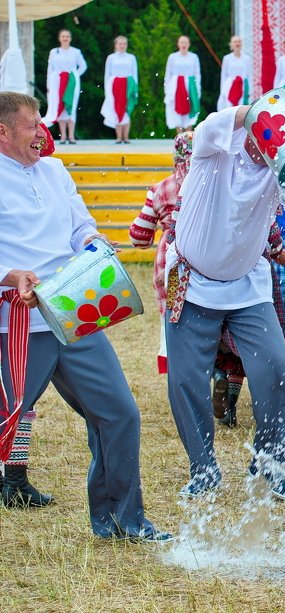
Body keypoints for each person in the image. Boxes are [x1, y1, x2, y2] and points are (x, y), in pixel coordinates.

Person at [0, 91, 170, 541]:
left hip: (73, 317)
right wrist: (9, 275)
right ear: (2, 131)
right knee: (6, 421)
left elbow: (80, 226)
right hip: (15, 326)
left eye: (42, 122)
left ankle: (121, 520)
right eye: (32, 124)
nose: (43, 131)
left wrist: (94, 244)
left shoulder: (55, 171)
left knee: (120, 414)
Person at [164, 104, 285, 501]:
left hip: (247, 285)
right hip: (188, 278)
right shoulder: (213, 146)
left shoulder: (279, 167)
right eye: (268, 135)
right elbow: (222, 122)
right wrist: (267, 107)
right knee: (185, 380)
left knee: (274, 370)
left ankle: (272, 464)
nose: (270, 147)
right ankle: (202, 470)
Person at [129, 131, 194, 373]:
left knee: (171, 315)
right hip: (206, 256)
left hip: (170, 261)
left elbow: (139, 236)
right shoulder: (213, 181)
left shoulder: (161, 188)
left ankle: (177, 370)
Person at [42, 29, 87, 144]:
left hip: (71, 83)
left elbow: (83, 66)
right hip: (57, 82)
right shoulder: (54, 52)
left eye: (67, 36)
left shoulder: (76, 52)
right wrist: (49, 84)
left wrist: (75, 75)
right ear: (59, 38)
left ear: (70, 38)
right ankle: (63, 136)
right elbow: (50, 69)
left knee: (71, 107)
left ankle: (71, 136)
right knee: (59, 106)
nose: (65, 38)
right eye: (63, 36)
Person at [100, 36, 138, 144]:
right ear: (116, 45)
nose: (122, 46)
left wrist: (135, 90)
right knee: (116, 110)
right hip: (115, 86)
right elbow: (107, 74)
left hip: (128, 85)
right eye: (120, 44)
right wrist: (106, 90)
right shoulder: (111, 57)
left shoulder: (131, 57)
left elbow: (135, 74)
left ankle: (126, 137)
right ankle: (118, 137)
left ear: (126, 45)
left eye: (124, 44)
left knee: (126, 110)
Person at [164, 35, 201, 133]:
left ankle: (188, 138)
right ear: (178, 44)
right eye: (182, 42)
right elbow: (168, 74)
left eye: (185, 42)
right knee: (175, 110)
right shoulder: (172, 57)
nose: (183, 44)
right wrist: (167, 89)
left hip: (190, 85)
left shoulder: (194, 57)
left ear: (189, 44)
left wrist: (198, 88)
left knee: (190, 109)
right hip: (175, 86)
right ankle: (180, 139)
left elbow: (197, 73)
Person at [218, 36, 250, 111]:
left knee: (241, 107)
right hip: (229, 86)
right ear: (231, 44)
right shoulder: (227, 58)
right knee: (229, 107)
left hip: (242, 85)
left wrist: (249, 90)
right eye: (235, 42)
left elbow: (248, 76)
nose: (237, 43)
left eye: (239, 41)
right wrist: (222, 90)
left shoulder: (246, 59)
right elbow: (223, 75)